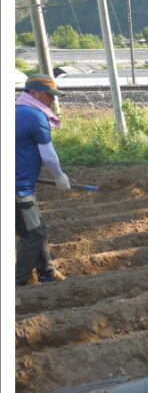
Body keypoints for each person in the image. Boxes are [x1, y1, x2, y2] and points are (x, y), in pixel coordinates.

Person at [16, 74, 70, 286]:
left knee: (36, 229)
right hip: (19, 189)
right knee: (33, 235)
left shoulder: (14, 111)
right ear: (34, 93)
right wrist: (59, 176)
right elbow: (48, 155)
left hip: (20, 185)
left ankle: (47, 272)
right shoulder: (35, 116)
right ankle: (18, 282)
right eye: (49, 95)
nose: (52, 100)